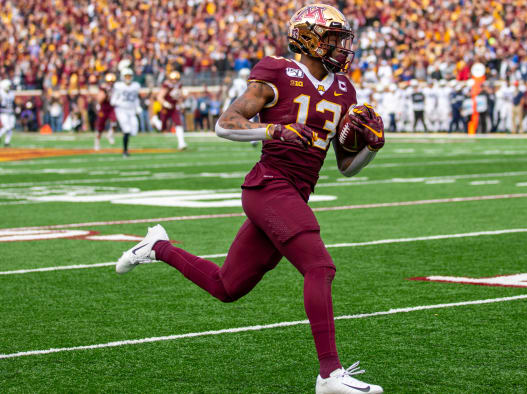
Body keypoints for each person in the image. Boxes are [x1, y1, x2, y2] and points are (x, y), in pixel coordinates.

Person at [115, 4, 385, 394]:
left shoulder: (345, 89)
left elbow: (345, 166)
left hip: (296, 193)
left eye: (342, 39)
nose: (341, 47)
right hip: (269, 184)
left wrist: (372, 147)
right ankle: (329, 375)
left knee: (228, 287)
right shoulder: (278, 71)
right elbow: (225, 124)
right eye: (332, 38)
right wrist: (275, 131)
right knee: (320, 266)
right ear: (307, 37)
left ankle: (159, 247)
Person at [152, 71, 187, 150]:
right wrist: (165, 103)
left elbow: (179, 96)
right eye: (173, 79)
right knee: (163, 128)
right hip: (166, 108)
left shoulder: (179, 85)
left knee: (178, 124)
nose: (175, 81)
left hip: (174, 108)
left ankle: (181, 143)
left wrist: (181, 104)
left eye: (176, 79)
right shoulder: (167, 85)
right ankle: (156, 121)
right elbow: (159, 97)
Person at [111, 68, 141, 157]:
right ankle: (125, 151)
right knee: (127, 130)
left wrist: (138, 107)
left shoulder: (136, 86)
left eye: (129, 76)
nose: (128, 78)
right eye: (126, 76)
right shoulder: (118, 86)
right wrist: (119, 103)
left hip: (131, 110)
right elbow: (113, 100)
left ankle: (124, 142)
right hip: (121, 110)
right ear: (122, 77)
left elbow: (136, 98)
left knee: (134, 130)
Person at [94, 72, 117, 151]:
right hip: (103, 108)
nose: (111, 83)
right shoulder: (103, 88)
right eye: (109, 81)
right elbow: (100, 98)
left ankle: (110, 134)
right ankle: (97, 142)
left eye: (112, 81)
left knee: (114, 122)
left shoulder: (115, 88)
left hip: (111, 107)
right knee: (100, 127)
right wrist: (104, 93)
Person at [0, 79, 16, 147]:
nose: (10, 87)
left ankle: (7, 142)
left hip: (10, 112)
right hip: (4, 112)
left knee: (11, 127)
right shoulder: (1, 93)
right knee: (7, 127)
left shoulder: (11, 93)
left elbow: (13, 103)